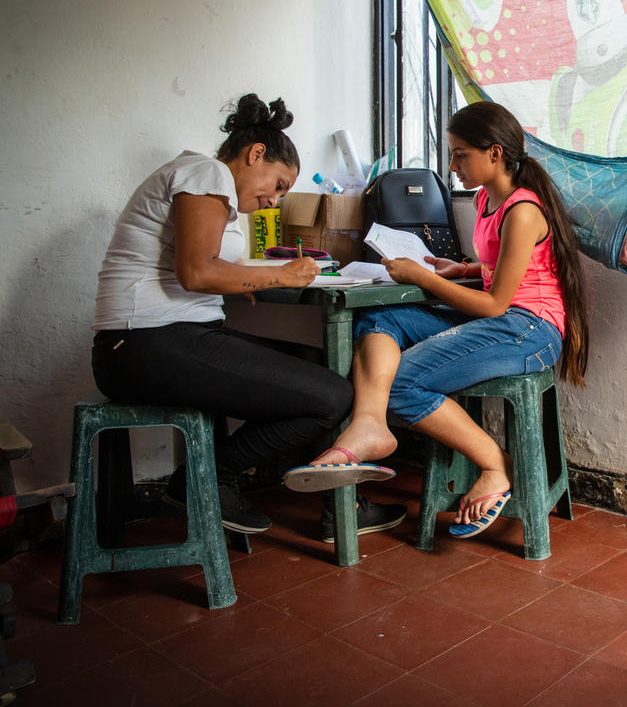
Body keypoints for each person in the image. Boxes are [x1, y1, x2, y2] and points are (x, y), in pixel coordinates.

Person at [90, 93, 405, 541]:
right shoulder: (206, 172)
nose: (273, 202)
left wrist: (242, 281)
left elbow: (203, 267)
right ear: (255, 153)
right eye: (278, 185)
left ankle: (342, 504)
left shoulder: (213, 188)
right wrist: (275, 278)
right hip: (142, 345)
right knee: (330, 396)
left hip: (171, 338)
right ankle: (207, 479)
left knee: (325, 369)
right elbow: (197, 270)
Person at [283, 100, 589, 539]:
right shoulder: (487, 199)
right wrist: (459, 269)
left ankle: (497, 464)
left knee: (403, 381)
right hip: (504, 319)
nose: (452, 165)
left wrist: (421, 275)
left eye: (460, 154)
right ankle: (369, 425)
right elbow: (497, 270)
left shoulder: (523, 211)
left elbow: (495, 304)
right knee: (382, 317)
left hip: (528, 329)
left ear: (495, 153)